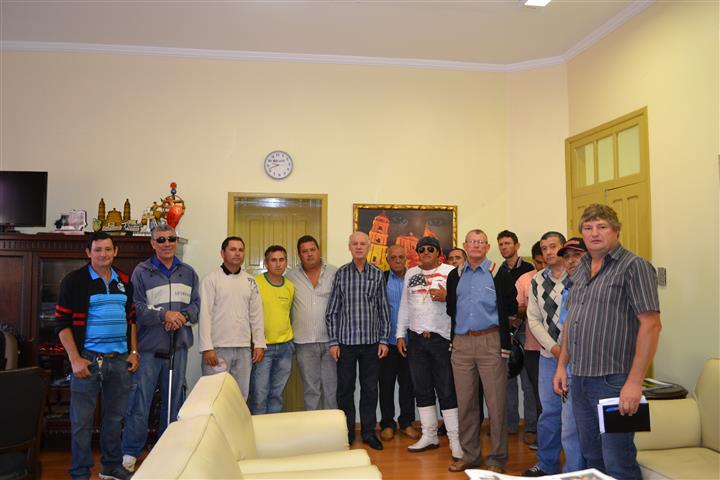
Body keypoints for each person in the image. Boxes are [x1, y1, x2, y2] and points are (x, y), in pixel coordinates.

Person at [554, 204, 661, 480]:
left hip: (614, 381)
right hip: (580, 378)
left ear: (616, 231)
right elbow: (572, 320)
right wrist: (562, 366)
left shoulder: (634, 267)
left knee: (618, 461)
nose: (594, 233)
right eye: (588, 228)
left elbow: (651, 325)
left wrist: (634, 382)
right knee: (593, 459)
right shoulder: (581, 268)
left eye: (602, 227)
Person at [56, 232, 138, 480]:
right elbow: (62, 324)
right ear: (88, 253)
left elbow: (131, 320)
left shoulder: (125, 280)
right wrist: (75, 359)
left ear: (115, 251)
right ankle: (80, 473)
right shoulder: (74, 281)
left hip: (120, 360)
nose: (103, 254)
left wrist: (134, 352)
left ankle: (111, 466)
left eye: (108, 249)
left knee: (114, 419)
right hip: (87, 360)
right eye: (98, 249)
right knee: (81, 423)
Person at [122, 224, 200, 472]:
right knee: (140, 400)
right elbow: (135, 308)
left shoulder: (188, 272)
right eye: (161, 239)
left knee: (174, 400)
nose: (167, 243)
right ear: (153, 243)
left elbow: (196, 305)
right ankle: (131, 451)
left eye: (171, 239)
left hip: (179, 347)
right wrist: (164, 315)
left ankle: (168, 450)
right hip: (148, 348)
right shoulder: (141, 272)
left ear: (177, 241)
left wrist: (182, 317)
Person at [446, 229, 512, 474]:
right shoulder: (455, 275)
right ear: (465, 245)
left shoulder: (498, 273)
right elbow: (451, 308)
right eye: (472, 242)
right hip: (461, 344)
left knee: (496, 404)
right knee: (466, 404)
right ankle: (471, 456)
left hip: (490, 342)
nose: (475, 245)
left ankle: (497, 458)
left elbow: (510, 306)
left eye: (480, 242)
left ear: (487, 247)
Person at [523, 232, 584, 476]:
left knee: (572, 419)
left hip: (578, 358)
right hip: (549, 357)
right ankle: (546, 464)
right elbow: (533, 319)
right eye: (544, 248)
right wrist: (555, 348)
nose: (548, 252)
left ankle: (573, 470)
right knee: (548, 414)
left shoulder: (579, 276)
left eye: (553, 246)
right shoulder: (537, 280)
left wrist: (566, 351)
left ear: (563, 249)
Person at [396, 237, 461, 459]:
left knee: (446, 389)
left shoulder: (451, 272)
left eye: (430, 249)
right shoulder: (411, 273)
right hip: (416, 340)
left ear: (438, 252)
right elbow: (404, 306)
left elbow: (462, 302)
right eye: (421, 249)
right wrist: (400, 334)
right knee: (421, 389)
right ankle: (430, 435)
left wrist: (447, 296)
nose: (425, 252)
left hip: (442, 339)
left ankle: (455, 440)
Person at [326, 231, 390, 450]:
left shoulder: (377, 274)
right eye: (355, 244)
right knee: (345, 390)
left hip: (372, 343)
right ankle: (346, 433)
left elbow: (383, 310)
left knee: (370, 389)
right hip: (346, 343)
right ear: (350, 247)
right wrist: (333, 342)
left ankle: (369, 432)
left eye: (363, 243)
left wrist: (384, 340)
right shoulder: (341, 274)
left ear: (369, 246)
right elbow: (332, 311)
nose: (359, 247)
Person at [198, 236, 266, 400]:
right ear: (222, 253)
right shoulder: (211, 280)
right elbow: (204, 314)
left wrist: (259, 343)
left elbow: (256, 314)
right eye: (233, 249)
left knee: (240, 396)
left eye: (241, 250)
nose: (237, 253)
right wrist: (207, 348)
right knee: (214, 396)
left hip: (243, 349)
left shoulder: (250, 281)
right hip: (218, 348)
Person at [286, 235, 338, 410]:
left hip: (331, 342)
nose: (309, 254)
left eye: (312, 250)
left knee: (331, 389)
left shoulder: (334, 273)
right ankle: (314, 426)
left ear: (319, 250)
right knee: (311, 390)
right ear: (299, 255)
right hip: (304, 342)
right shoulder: (291, 277)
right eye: (304, 251)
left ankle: (331, 426)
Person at [495, 231, 536, 443]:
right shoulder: (498, 271)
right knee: (507, 380)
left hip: (527, 331)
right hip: (505, 333)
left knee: (528, 383)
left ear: (517, 245)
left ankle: (531, 426)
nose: (504, 247)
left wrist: (518, 314)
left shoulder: (529, 269)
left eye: (507, 243)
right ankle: (510, 424)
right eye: (501, 244)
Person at [378, 245, 419, 441]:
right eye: (393, 257)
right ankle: (387, 424)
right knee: (386, 385)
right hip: (387, 342)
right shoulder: (381, 279)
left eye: (400, 257)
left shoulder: (414, 278)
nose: (397, 260)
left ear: (406, 259)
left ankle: (406, 423)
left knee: (408, 385)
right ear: (387, 259)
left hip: (411, 342)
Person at [250, 245, 295, 414]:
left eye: (281, 260)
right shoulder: (255, 283)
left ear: (286, 262)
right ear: (266, 263)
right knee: (259, 395)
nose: (278, 264)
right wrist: (254, 343)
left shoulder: (290, 286)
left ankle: (273, 428)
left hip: (285, 347)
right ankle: (259, 428)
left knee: (276, 394)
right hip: (263, 349)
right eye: (273, 260)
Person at [514, 241, 546, 449]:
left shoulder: (566, 277)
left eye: (546, 262)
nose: (542, 266)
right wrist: (529, 309)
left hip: (561, 348)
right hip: (533, 346)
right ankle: (538, 433)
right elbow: (515, 310)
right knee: (535, 391)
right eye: (538, 262)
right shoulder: (525, 279)